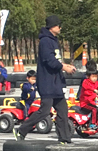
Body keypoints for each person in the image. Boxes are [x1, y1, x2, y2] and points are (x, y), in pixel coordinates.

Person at [15, 15, 76, 143]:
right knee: (44, 111)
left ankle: (64, 139)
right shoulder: (45, 41)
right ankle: (22, 130)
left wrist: (66, 66)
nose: (60, 28)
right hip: (47, 82)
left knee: (63, 111)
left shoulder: (54, 40)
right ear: (53, 26)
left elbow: (57, 60)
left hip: (56, 82)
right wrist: (64, 67)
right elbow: (50, 61)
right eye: (58, 25)